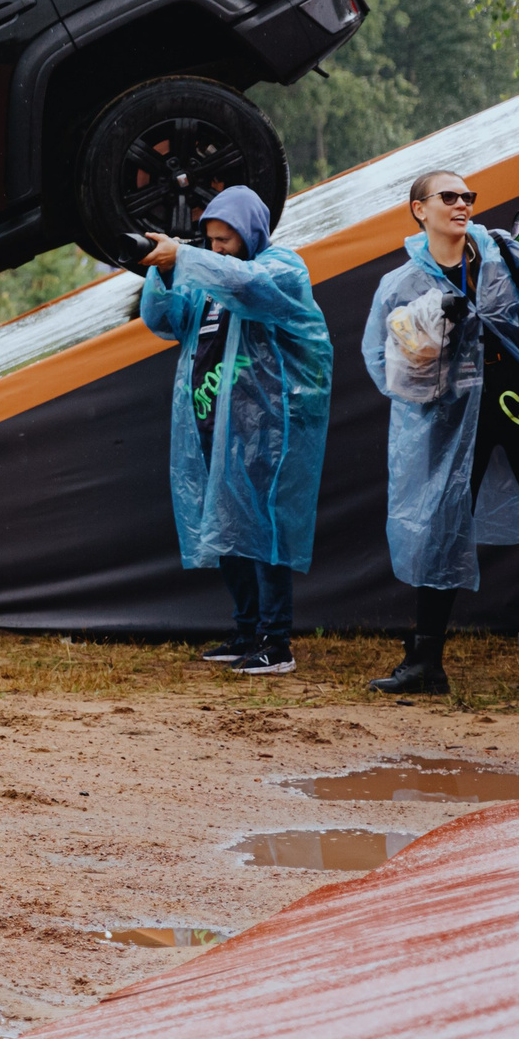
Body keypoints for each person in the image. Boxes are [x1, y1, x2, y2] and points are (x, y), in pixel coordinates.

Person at [361, 171, 519, 698]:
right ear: (419, 209)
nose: (462, 204)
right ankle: (424, 662)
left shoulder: (501, 254)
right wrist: (426, 331)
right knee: (438, 524)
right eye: (449, 197)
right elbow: (386, 367)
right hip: (454, 412)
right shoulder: (402, 284)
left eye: (469, 197)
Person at [137, 186, 332, 676]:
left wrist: (186, 256)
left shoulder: (280, 267)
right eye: (212, 239)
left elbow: (250, 289)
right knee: (227, 530)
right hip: (211, 424)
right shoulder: (206, 281)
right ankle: (246, 629)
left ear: (251, 232)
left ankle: (277, 640)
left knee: (264, 533)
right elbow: (163, 320)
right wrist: (164, 271)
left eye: (227, 239)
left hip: (264, 427)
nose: (218, 248)